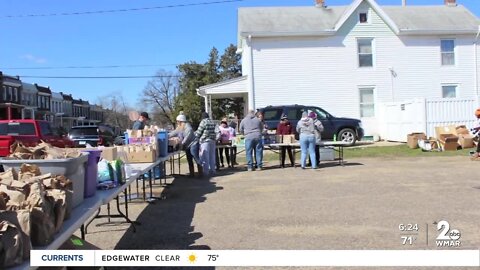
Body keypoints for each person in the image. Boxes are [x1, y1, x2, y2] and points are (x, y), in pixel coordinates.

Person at [169, 113, 200, 177]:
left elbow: (186, 139)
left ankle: (201, 173)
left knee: (196, 158)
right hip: (187, 146)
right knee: (189, 159)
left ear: (181, 122)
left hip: (193, 144)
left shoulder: (188, 128)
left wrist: (181, 144)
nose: (177, 123)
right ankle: (192, 174)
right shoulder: (180, 128)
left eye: (178, 121)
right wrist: (166, 136)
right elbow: (173, 133)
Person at [195, 112, 218, 177]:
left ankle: (206, 172)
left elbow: (199, 132)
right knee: (212, 156)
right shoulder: (213, 122)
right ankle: (213, 170)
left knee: (205, 157)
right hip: (213, 140)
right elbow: (217, 131)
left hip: (205, 141)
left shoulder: (203, 122)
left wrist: (196, 138)